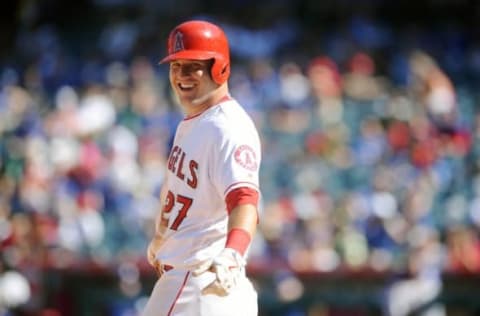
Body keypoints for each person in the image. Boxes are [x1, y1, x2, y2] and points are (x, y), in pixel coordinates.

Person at [141, 20, 261, 316]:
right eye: (175, 65)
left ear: (219, 68)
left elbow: (245, 200)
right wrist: (161, 237)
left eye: (192, 65)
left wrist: (233, 252)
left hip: (201, 282)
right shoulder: (193, 123)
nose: (181, 75)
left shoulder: (227, 127)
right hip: (191, 282)